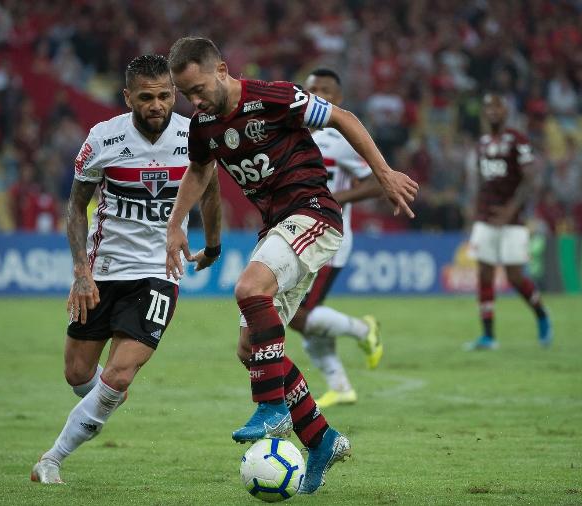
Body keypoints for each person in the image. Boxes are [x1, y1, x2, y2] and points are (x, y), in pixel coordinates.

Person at [164, 37, 418, 494]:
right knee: (252, 349)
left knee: (249, 289)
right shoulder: (203, 126)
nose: (195, 101)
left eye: (199, 89)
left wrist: (383, 174)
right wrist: (181, 227)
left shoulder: (272, 96)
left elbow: (342, 117)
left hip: (313, 212)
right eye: (187, 95)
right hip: (276, 227)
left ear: (221, 69)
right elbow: (201, 173)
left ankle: (271, 409)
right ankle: (321, 441)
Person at [31, 54, 222, 484]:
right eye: (147, 97)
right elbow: (76, 207)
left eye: (165, 96)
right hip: (104, 270)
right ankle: (104, 398)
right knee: (78, 374)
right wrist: (81, 271)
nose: (157, 105)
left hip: (159, 272)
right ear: (127, 97)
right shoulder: (103, 138)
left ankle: (52, 459)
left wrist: (213, 245)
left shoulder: (194, 135)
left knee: (118, 374)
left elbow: (211, 192)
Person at [287, 68, 383, 409]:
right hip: (297, 237)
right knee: (302, 317)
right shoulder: (292, 133)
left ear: (338, 99)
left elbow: (377, 181)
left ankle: (362, 330)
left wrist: (336, 197)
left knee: (296, 315)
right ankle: (340, 386)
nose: (317, 94)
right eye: (311, 88)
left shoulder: (341, 138)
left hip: (332, 240)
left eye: (325, 90)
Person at [465, 93, 552, 351]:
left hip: (512, 220)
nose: (492, 111)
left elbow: (530, 177)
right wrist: (475, 209)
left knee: (514, 277)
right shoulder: (482, 143)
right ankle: (488, 336)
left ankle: (541, 314)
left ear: (506, 111)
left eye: (497, 107)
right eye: (488, 107)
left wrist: (510, 209)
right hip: (486, 218)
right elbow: (483, 181)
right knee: (484, 274)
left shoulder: (517, 140)